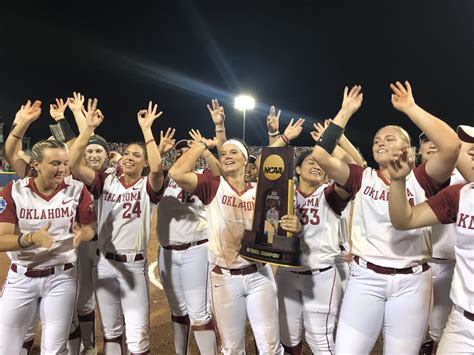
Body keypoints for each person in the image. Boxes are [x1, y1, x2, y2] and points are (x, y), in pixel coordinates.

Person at [312, 82, 461, 354]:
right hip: (365, 277)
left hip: (412, 282)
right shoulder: (361, 176)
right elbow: (320, 155)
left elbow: (451, 146)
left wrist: (410, 108)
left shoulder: (423, 178)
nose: (381, 142)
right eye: (377, 140)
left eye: (390, 138)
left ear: (408, 148)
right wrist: (345, 111)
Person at [169, 105, 305, 354]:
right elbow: (177, 172)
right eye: (224, 153)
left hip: (259, 274)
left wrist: (293, 226)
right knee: (232, 349)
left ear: (246, 160)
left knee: (270, 347)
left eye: (234, 152)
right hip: (224, 277)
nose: (228, 156)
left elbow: (279, 227)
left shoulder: (261, 190)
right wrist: (201, 146)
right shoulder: (212, 185)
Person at [69, 99, 164, 354]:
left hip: (133, 266)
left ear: (144, 163)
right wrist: (87, 130)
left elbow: (157, 168)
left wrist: (147, 130)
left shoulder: (147, 185)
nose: (129, 158)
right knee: (111, 331)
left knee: (137, 337)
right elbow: (74, 164)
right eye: (127, 154)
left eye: (136, 155)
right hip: (104, 265)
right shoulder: (105, 180)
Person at [0, 135, 96, 354]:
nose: (62, 169)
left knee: (53, 349)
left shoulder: (77, 190)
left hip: (61, 278)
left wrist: (84, 234)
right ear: (36, 165)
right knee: (6, 347)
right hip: (21, 277)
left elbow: (91, 227)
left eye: (64, 163)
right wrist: (30, 238)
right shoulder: (14, 191)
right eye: (55, 163)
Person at [388, 125, 474, 354]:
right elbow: (404, 220)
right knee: (431, 329)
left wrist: (411, 107)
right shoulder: (460, 194)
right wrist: (397, 181)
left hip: (447, 264)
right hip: (462, 320)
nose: (472, 153)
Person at [276, 150, 350, 354]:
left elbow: (353, 172)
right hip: (286, 273)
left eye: (321, 164)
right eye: (311, 162)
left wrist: (334, 147)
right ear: (297, 169)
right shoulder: (283, 194)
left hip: (320, 275)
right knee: (288, 337)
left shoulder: (329, 194)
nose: (317, 165)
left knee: (319, 338)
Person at [157, 137, 217, 355]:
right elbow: (150, 169)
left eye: (188, 150)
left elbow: (220, 173)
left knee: (199, 313)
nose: (184, 153)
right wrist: (160, 150)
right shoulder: (163, 177)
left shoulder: (205, 178)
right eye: (180, 151)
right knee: (177, 310)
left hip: (197, 249)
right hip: (167, 251)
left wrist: (206, 150)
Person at [416, 132, 466, 355]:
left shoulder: (459, 176)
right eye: (427, 141)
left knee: (439, 328)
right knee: (413, 325)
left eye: (438, 141)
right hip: (416, 263)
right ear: (419, 150)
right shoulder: (409, 177)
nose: (433, 145)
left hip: (448, 264)